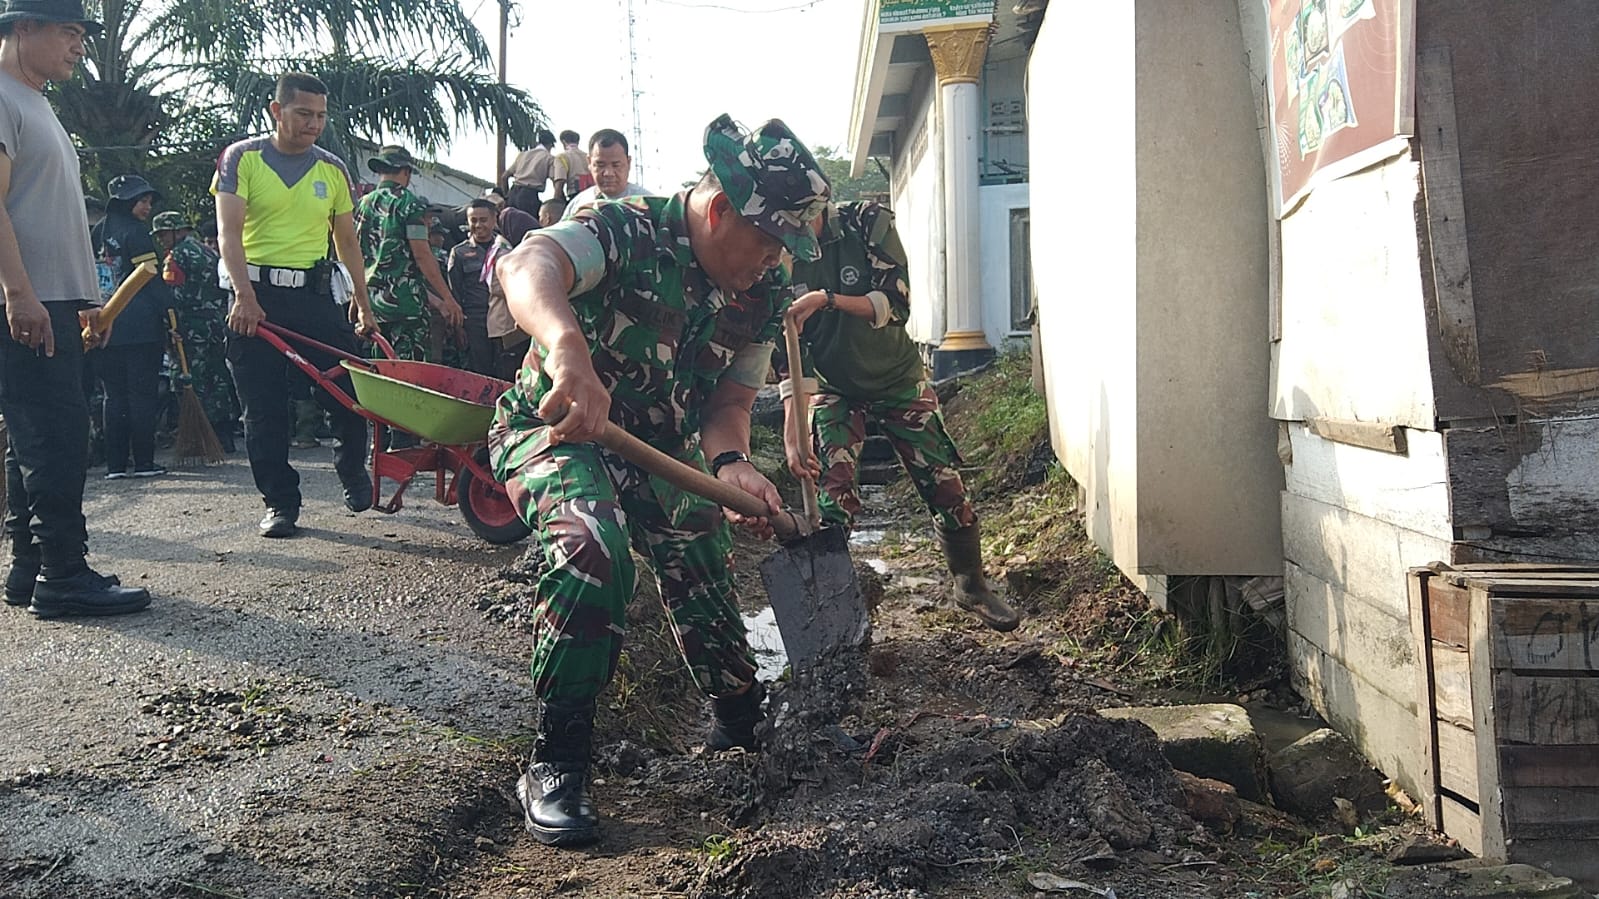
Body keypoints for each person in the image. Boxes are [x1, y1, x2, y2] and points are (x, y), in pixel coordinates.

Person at [490, 113, 830, 846]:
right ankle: (557, 760)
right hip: (554, 428)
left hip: (659, 448)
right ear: (717, 211)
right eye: (768, 241)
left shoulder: (760, 294)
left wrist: (732, 462)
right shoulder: (625, 227)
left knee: (702, 555)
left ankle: (738, 722)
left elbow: (730, 401)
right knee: (592, 545)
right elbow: (526, 267)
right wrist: (567, 349)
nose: (774, 261)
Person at [782, 201, 1019, 631]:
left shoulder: (866, 222)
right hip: (835, 388)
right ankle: (830, 608)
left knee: (944, 483)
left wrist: (827, 299)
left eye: (799, 220)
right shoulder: (778, 251)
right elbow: (787, 350)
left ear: (817, 205)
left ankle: (970, 584)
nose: (790, 232)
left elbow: (895, 303)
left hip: (896, 379)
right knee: (832, 491)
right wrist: (791, 431)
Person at [0, 0, 149, 617]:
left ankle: (30, 569)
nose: (79, 46)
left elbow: (47, 215)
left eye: (84, 35)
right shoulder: (3, 98)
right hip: (26, 300)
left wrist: (85, 300)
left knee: (32, 438)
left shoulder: (35, 102)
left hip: (53, 298)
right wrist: (18, 291)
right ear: (23, 27)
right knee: (57, 437)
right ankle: (64, 576)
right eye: (69, 32)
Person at [213, 71, 379, 539]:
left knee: (350, 385)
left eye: (321, 115)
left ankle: (352, 469)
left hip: (313, 294)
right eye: (304, 113)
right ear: (276, 111)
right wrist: (244, 296)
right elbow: (229, 233)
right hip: (255, 297)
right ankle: (280, 503)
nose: (313, 124)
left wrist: (363, 305)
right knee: (262, 408)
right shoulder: (240, 159)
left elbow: (346, 241)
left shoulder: (332, 168)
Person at [92, 173, 171, 479]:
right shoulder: (137, 232)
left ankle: (115, 465)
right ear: (125, 202)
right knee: (142, 394)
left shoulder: (97, 232)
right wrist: (170, 313)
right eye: (142, 200)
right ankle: (144, 462)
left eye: (149, 201)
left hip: (103, 322)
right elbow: (150, 278)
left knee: (114, 395)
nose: (147, 206)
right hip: (140, 325)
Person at [354, 145, 462, 364]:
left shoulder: (363, 204)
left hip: (373, 304)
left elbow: (355, 253)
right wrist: (448, 298)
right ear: (405, 171)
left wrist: (357, 299)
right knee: (410, 368)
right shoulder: (409, 204)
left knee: (380, 365)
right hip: (405, 304)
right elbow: (422, 254)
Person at [153, 209, 238, 453]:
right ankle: (224, 436)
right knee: (218, 379)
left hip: (190, 329)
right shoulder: (207, 251)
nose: (160, 240)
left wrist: (170, 328)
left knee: (191, 381)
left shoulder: (176, 256)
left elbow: (173, 296)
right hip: (215, 325)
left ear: (175, 231)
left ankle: (199, 436)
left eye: (162, 234)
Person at [446, 198, 509, 376]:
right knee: (480, 371)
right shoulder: (459, 253)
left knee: (505, 369)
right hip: (475, 321)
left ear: (494, 219)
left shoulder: (505, 248)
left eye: (483, 220)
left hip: (503, 320)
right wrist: (458, 327)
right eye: (473, 220)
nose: (478, 225)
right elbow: (454, 293)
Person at [561, 129, 652, 219]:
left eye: (616, 165)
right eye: (600, 165)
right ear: (589, 163)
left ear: (628, 163)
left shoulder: (648, 205)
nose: (608, 173)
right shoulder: (577, 206)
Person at [502, 128, 555, 216]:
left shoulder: (523, 155)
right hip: (529, 195)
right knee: (529, 225)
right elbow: (554, 179)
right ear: (550, 144)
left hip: (513, 193)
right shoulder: (549, 158)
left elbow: (504, 177)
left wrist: (506, 196)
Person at [549, 129, 590, 203]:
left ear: (563, 142)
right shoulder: (589, 156)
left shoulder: (562, 157)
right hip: (591, 194)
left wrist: (555, 202)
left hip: (575, 195)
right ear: (578, 142)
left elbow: (560, 181)